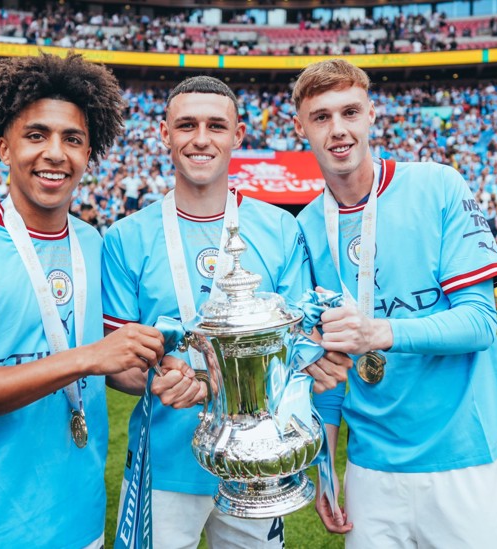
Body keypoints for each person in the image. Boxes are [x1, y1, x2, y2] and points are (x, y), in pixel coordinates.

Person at [0, 53, 166, 549]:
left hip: (80, 524)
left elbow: (110, 366)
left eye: (73, 139)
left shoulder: (93, 242)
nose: (55, 153)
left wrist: (158, 372)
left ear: (90, 154)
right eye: (36, 135)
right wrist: (87, 357)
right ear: (3, 146)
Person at [291, 59, 497, 548]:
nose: (338, 130)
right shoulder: (307, 226)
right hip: (369, 467)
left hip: (461, 457)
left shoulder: (438, 185)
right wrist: (326, 467)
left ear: (372, 114)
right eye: (321, 117)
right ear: (301, 128)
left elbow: (480, 322)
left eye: (350, 112)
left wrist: (379, 333)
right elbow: (329, 361)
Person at [101, 75, 349, 549]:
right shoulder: (125, 238)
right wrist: (156, 381)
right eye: (186, 125)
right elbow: (117, 367)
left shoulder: (278, 227)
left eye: (216, 126)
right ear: (164, 133)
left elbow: (300, 340)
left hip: (256, 461)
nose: (200, 139)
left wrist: (319, 357)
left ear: (237, 136)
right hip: (164, 467)